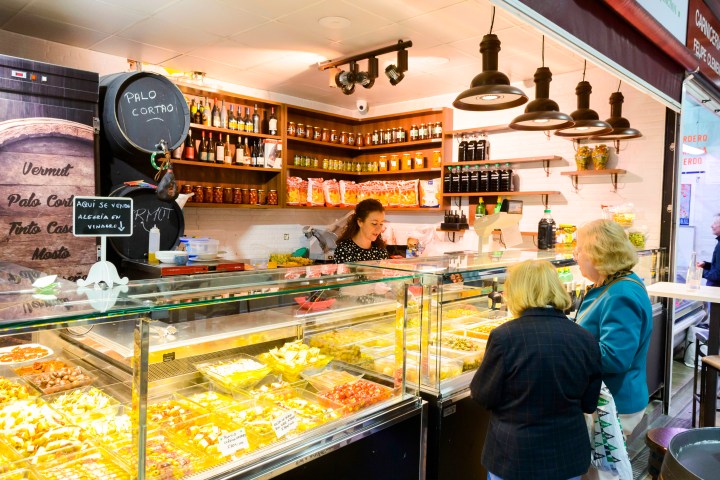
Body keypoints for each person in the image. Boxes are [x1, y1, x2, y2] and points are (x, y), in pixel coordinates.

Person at [470, 260, 602, 480]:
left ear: (517, 292)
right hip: (567, 457)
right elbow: (589, 403)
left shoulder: (505, 337)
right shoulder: (585, 338)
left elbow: (483, 395)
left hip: (514, 456)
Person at [574, 220, 653, 450]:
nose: (575, 257)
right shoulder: (612, 285)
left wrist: (568, 345)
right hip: (609, 397)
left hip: (615, 401)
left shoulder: (620, 294)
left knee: (603, 474)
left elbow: (615, 357)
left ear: (597, 255)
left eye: (578, 250)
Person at [333, 198, 389, 264]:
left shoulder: (380, 250)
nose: (379, 229)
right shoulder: (344, 249)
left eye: (381, 224)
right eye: (374, 223)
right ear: (360, 222)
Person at [697, 213, 720, 287]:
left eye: (715, 223)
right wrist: (706, 265)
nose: (711, 226)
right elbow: (717, 268)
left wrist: (699, 272)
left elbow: (717, 275)